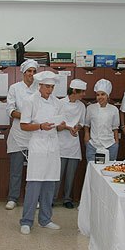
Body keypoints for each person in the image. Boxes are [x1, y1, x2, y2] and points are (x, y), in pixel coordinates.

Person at [19, 71, 64, 234]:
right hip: (38, 145)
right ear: (40, 86)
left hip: (52, 146)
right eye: (47, 87)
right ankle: (26, 221)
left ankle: (45, 219)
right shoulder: (30, 101)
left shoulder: (57, 103)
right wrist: (40, 126)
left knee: (49, 183)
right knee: (34, 183)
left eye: (52, 87)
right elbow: (23, 125)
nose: (50, 90)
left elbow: (58, 125)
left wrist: (62, 125)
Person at [5, 59, 38, 210]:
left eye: (34, 71)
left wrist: (30, 118)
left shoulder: (40, 88)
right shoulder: (14, 88)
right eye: (29, 71)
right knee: (16, 170)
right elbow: (10, 110)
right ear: (24, 72)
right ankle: (13, 198)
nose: (31, 74)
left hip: (34, 134)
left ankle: (33, 199)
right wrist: (26, 116)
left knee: (34, 171)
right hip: (18, 135)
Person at [55, 79, 87, 209]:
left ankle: (67, 198)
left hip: (73, 145)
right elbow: (56, 123)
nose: (84, 94)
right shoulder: (60, 103)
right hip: (61, 143)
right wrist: (68, 127)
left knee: (70, 174)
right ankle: (52, 198)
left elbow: (82, 122)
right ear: (74, 91)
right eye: (82, 92)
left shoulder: (81, 106)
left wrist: (77, 127)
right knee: (58, 174)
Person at [84, 79, 119, 162]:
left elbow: (115, 128)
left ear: (108, 95)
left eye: (103, 94)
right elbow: (87, 125)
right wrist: (87, 138)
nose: (100, 97)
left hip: (110, 144)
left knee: (110, 169)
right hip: (93, 145)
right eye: (98, 95)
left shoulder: (114, 109)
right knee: (92, 170)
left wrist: (116, 142)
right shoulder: (90, 108)